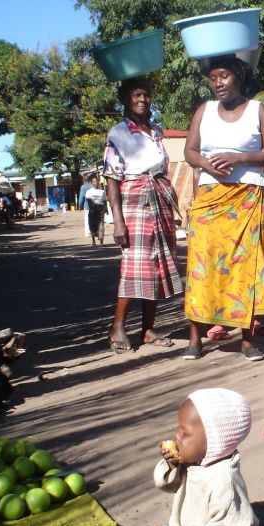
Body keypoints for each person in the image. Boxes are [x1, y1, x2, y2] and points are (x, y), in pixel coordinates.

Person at [80, 387, 258, 526]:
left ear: (215, 441)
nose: (176, 437)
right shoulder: (196, 459)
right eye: (178, 430)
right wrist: (170, 464)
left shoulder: (225, 482)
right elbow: (167, 485)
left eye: (185, 433)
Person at [183, 56, 264, 362]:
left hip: (249, 198)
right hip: (210, 200)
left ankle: (247, 340)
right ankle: (195, 338)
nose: (217, 83)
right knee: (202, 266)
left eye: (223, 76)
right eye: (213, 78)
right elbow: (190, 150)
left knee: (246, 269)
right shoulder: (205, 110)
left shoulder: (258, 110)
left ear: (238, 77)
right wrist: (207, 163)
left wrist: (239, 159)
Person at [103, 76, 183, 353]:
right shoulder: (118, 133)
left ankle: (148, 330)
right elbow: (112, 180)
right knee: (135, 266)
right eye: (136, 95)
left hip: (159, 199)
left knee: (158, 267)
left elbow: (161, 169)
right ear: (125, 99)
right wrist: (118, 222)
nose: (142, 99)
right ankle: (117, 326)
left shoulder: (156, 131)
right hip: (134, 201)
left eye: (146, 95)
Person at [84, 173, 107, 246]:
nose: (96, 182)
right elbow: (89, 201)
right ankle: (93, 241)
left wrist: (106, 209)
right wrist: (91, 209)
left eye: (97, 181)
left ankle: (101, 243)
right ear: (91, 182)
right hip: (93, 210)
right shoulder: (89, 192)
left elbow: (104, 201)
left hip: (100, 209)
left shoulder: (102, 191)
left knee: (101, 225)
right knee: (92, 225)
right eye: (94, 181)